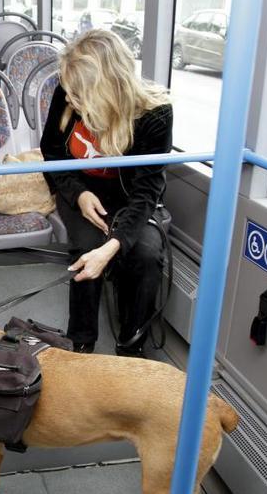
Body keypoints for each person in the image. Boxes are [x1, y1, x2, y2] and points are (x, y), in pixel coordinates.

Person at [40, 30, 173, 358]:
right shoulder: (67, 91)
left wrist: (114, 245)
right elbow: (52, 152)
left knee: (145, 254)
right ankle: (81, 343)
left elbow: (145, 191)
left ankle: (131, 347)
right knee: (86, 245)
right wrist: (79, 195)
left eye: (78, 96)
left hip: (130, 197)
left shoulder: (155, 114)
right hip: (81, 187)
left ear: (105, 91)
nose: (69, 101)